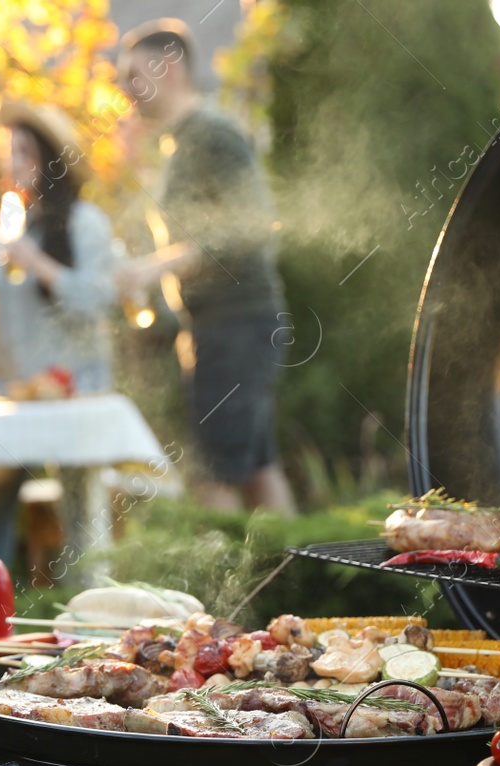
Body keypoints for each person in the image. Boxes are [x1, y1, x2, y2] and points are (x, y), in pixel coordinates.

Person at [116, 19, 296, 515]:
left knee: (212, 474)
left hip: (236, 327)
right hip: (223, 329)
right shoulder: (178, 144)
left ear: (167, 67)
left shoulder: (213, 132)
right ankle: (293, 584)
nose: (125, 92)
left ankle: (228, 592)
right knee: (259, 468)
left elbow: (252, 223)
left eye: (132, 77)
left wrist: (155, 268)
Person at [0, 99, 118, 570]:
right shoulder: (4, 225)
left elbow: (98, 299)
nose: (14, 162)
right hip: (14, 393)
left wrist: (41, 267)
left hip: (73, 389)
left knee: (81, 512)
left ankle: (90, 620)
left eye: (25, 150)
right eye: (8, 151)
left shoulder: (85, 222)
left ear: (51, 157)